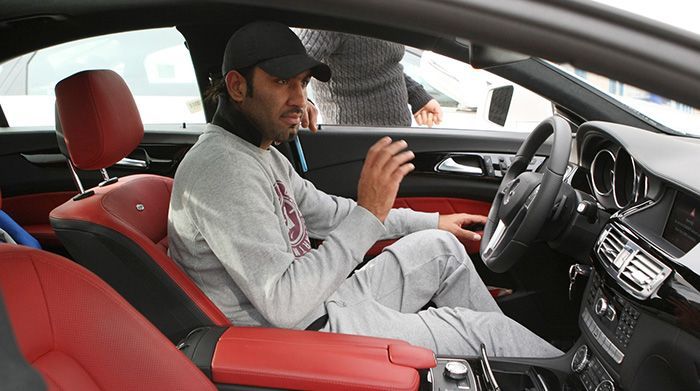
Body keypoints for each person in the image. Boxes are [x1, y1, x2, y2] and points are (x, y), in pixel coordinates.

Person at [168, 21, 561, 358]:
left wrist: (433, 222)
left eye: (302, 84)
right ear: (237, 87)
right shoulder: (221, 170)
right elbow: (285, 304)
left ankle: (510, 367)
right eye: (281, 82)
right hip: (305, 336)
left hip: (325, 302)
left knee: (441, 250)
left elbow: (331, 213)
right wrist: (369, 214)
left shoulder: (260, 154)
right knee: (487, 334)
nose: (299, 99)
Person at [295, 28, 443, 127]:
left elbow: (381, 65)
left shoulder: (386, 12)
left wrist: (417, 95)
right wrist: (300, 100)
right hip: (356, 143)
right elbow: (292, 61)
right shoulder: (335, 12)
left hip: (393, 136)